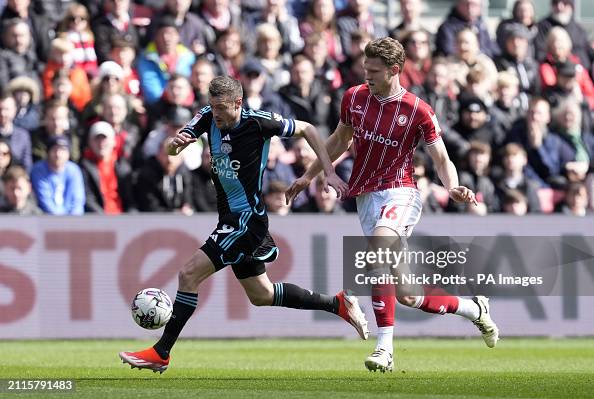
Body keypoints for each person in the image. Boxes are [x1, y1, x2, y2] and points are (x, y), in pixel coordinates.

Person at [119, 75, 369, 373]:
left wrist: (326, 171)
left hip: (245, 220)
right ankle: (337, 304)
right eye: (212, 106)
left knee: (188, 275)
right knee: (261, 295)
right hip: (231, 219)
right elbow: (174, 150)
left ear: (238, 103)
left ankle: (161, 352)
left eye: (222, 108)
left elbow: (308, 129)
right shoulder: (207, 116)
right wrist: (175, 146)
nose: (217, 114)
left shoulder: (258, 123)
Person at [286, 37, 499, 372]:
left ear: (394, 70)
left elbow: (441, 158)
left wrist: (453, 185)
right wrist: (309, 175)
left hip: (401, 192)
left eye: (373, 71)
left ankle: (384, 348)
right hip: (366, 197)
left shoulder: (418, 109)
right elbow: (339, 141)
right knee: (408, 295)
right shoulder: (354, 97)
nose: (365, 75)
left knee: (377, 252)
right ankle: (475, 310)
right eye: (364, 68)